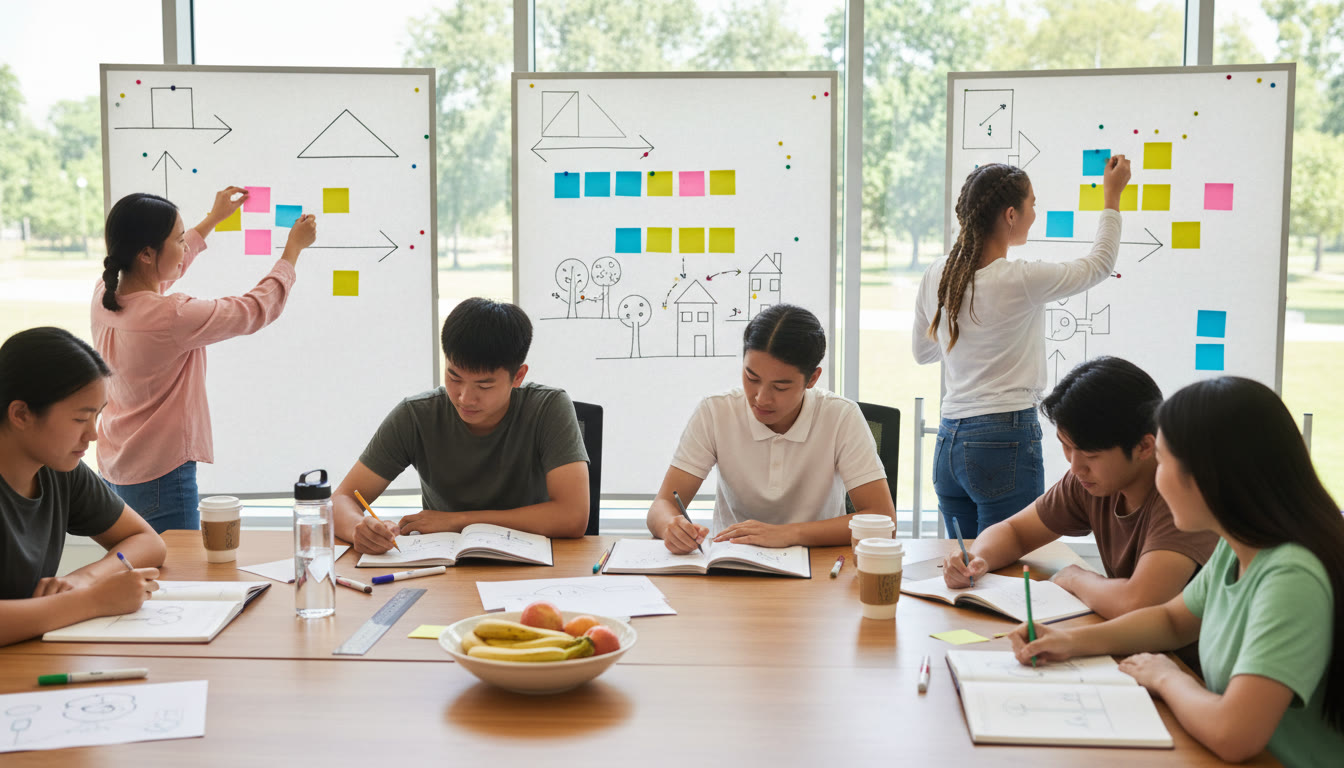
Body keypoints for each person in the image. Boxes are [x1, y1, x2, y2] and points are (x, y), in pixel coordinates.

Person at [1010, 377, 1344, 766]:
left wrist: (1166, 676)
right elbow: (1172, 621)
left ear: (1213, 474)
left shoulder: (1292, 577)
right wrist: (1070, 642)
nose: (1158, 478)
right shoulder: (1237, 546)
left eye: (1164, 462)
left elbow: (1233, 734)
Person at [914, 157, 1131, 536]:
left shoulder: (937, 273)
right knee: (1008, 561)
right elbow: (1099, 265)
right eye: (1033, 204)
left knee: (963, 562)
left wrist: (968, 343)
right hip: (1002, 437)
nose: (1035, 213)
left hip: (949, 441)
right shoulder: (1020, 279)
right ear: (1011, 215)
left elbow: (924, 352)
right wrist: (1112, 196)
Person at [91, 188, 317, 532]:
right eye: (179, 239)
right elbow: (254, 309)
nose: (185, 248)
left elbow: (161, 273)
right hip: (160, 475)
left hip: (115, 468)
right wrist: (292, 251)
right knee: (179, 565)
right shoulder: (172, 316)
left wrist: (212, 219)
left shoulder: (103, 295)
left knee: (140, 561)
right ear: (146, 254)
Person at [943, 357, 1217, 619]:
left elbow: (1137, 603)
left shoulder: (1182, 496)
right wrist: (977, 559)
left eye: (1091, 454)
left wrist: (1075, 577)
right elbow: (1015, 531)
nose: (1075, 467)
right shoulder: (1092, 480)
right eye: (1066, 446)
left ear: (1144, 446)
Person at [334, 298, 590, 554]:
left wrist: (459, 521)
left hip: (532, 565)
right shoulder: (416, 415)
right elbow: (341, 499)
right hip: (442, 568)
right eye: (454, 377)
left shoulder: (548, 408)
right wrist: (359, 528)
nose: (465, 398)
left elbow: (573, 516)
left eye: (484, 385)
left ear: (518, 376)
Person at [647, 304, 895, 553]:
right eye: (752, 378)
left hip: (816, 564)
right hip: (731, 559)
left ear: (812, 378)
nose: (761, 398)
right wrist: (671, 526)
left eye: (780, 387)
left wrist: (788, 534)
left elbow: (883, 520)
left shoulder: (841, 416)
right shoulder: (715, 411)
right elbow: (662, 505)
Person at [0, 327, 165, 647]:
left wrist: (85, 578)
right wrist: (93, 600)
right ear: (21, 414)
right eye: (80, 419)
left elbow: (148, 542)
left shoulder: (59, 468)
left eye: (97, 416)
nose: (93, 434)